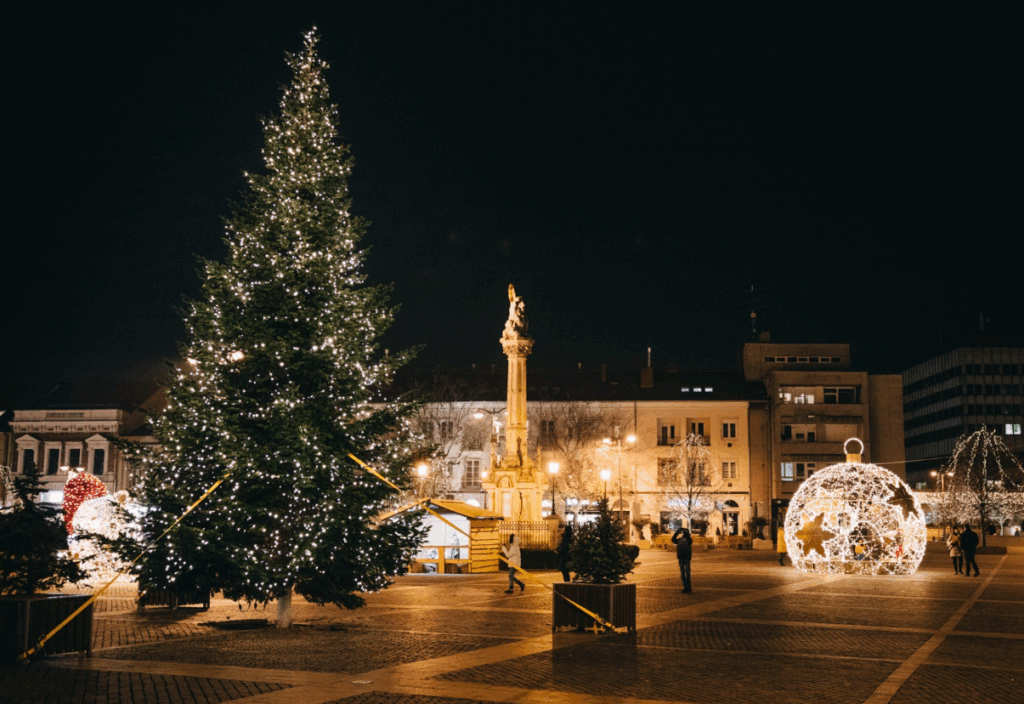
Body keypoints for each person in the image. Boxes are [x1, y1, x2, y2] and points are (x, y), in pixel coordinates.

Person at [672, 526, 693, 593]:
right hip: (682, 557)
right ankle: (685, 586)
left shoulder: (689, 540)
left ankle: (688, 586)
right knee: (683, 573)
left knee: (687, 572)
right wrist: (678, 531)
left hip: (686, 558)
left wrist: (684, 532)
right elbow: (673, 539)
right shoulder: (680, 540)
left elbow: (689, 539)